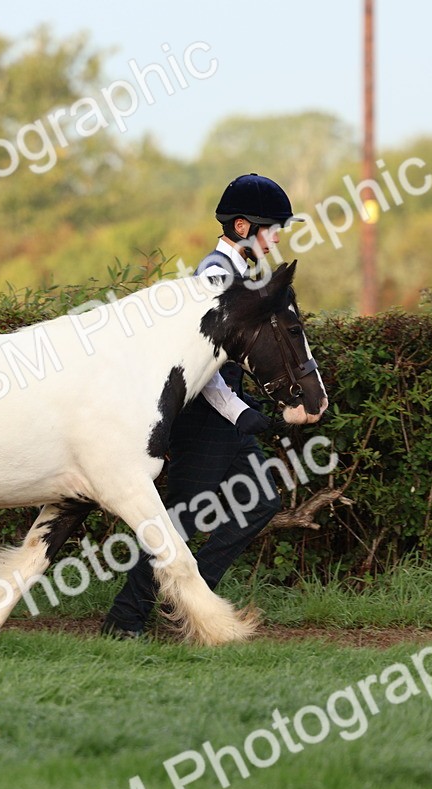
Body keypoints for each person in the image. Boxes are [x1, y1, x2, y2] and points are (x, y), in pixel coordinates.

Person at [100, 173, 297, 639]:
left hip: (230, 417)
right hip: (207, 420)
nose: (276, 239)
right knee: (181, 521)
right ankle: (125, 619)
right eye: (272, 229)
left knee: (261, 502)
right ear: (244, 227)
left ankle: (190, 598)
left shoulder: (241, 273)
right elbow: (200, 365)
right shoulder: (215, 275)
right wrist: (240, 412)